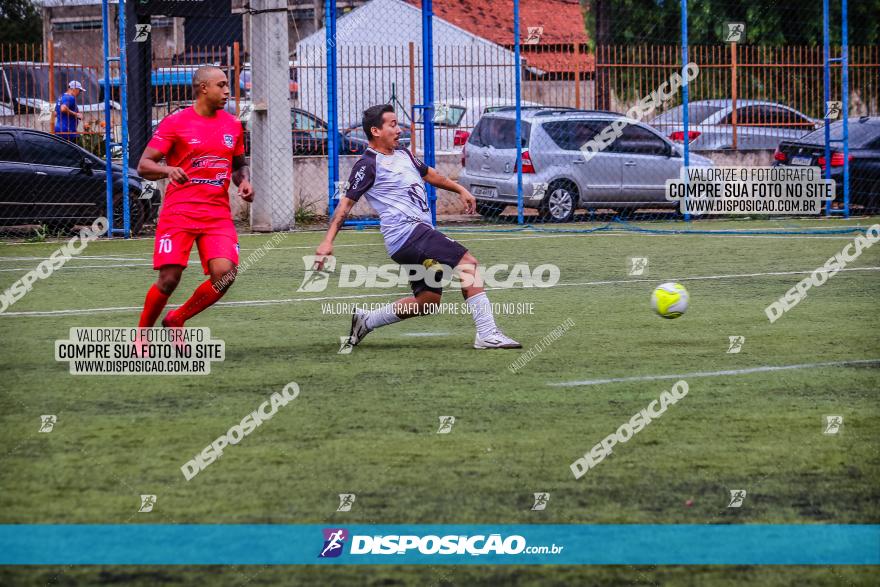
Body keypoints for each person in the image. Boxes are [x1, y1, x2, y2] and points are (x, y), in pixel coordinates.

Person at [314, 104, 521, 350]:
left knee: (428, 301)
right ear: (376, 131)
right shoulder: (368, 164)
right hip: (407, 233)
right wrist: (327, 241)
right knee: (468, 263)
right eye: (392, 124)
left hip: (416, 235)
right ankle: (487, 333)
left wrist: (460, 189)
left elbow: (430, 174)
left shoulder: (403, 154)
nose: (399, 129)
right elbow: (345, 206)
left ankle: (367, 320)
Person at [135, 65, 253, 331]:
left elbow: (238, 165)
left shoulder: (233, 125)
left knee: (225, 275)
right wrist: (167, 169)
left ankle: (177, 318)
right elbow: (144, 165)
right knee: (169, 278)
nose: (226, 91)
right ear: (203, 88)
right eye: (221, 85)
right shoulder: (175, 123)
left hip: (217, 215)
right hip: (179, 214)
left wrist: (244, 181)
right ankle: (142, 334)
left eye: (226, 85)